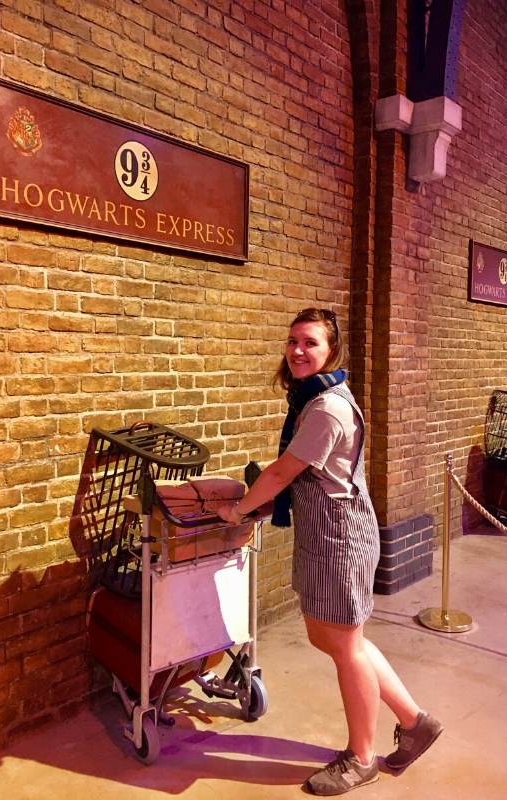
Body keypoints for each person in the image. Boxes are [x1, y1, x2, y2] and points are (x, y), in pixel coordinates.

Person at [217, 308, 442, 796]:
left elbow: (282, 473)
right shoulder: (314, 397)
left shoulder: (325, 408)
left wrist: (238, 512)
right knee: (338, 640)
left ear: (330, 351)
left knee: (345, 648)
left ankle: (361, 757)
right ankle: (416, 722)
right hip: (327, 536)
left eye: (310, 343)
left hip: (340, 539)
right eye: (293, 340)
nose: (298, 350)